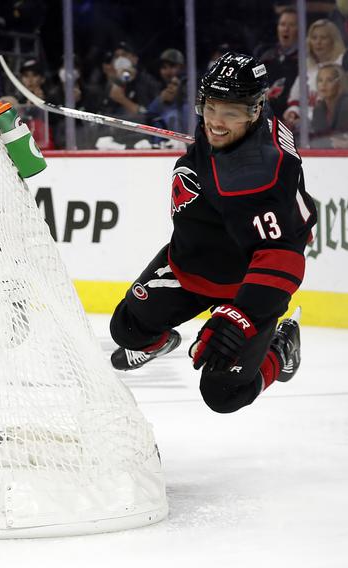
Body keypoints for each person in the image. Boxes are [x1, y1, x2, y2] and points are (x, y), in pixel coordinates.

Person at [109, 53, 317, 415]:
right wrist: (218, 134)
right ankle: (156, 343)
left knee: (223, 393)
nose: (216, 122)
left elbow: (283, 256)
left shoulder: (255, 176)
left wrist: (242, 315)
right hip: (192, 263)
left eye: (230, 112)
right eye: (211, 107)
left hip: (246, 283)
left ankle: (279, 352)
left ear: (255, 110)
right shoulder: (249, 126)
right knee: (126, 327)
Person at [283, 19, 346, 129]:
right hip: (306, 130)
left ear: (333, 40)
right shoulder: (307, 67)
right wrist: (293, 113)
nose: (318, 42)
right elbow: (295, 100)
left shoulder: (343, 65)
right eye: (314, 38)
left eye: (323, 38)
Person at [255, 8, 299, 118]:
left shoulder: (305, 59)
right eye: (282, 24)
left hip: (290, 116)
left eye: (292, 25)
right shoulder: (266, 56)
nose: (286, 29)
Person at [146, 48, 187, 135]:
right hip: (167, 140)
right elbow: (148, 114)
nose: (167, 71)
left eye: (172, 66)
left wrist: (179, 94)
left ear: (182, 67)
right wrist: (160, 100)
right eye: (164, 67)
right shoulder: (159, 86)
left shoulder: (191, 83)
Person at [309, 63, 348, 147]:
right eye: (320, 80)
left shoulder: (346, 104)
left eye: (329, 80)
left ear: (339, 83)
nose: (323, 84)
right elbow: (318, 137)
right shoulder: (318, 109)